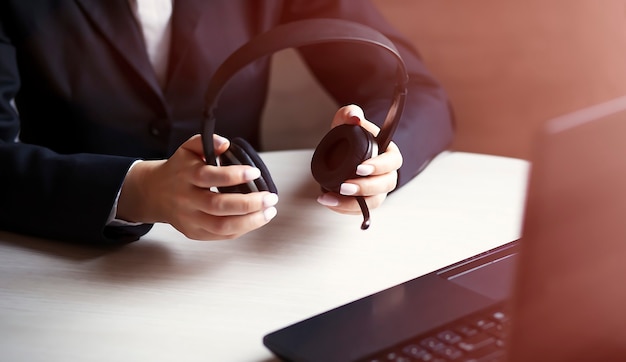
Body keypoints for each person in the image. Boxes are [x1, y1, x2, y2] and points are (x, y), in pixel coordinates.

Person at [0, 0, 454, 244]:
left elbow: (418, 92)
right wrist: (135, 190)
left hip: (244, 254)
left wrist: (377, 153)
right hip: (59, 255)